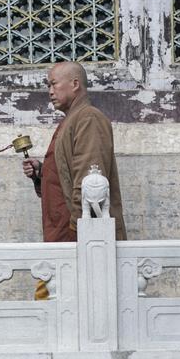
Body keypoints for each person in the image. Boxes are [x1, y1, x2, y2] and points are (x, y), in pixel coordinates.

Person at [23, 62, 127, 299]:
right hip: (61, 232)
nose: (49, 91)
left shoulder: (88, 118)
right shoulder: (71, 120)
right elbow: (67, 174)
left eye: (53, 84)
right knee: (55, 303)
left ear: (75, 84)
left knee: (67, 303)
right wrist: (41, 172)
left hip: (75, 233)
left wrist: (80, 230)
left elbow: (91, 178)